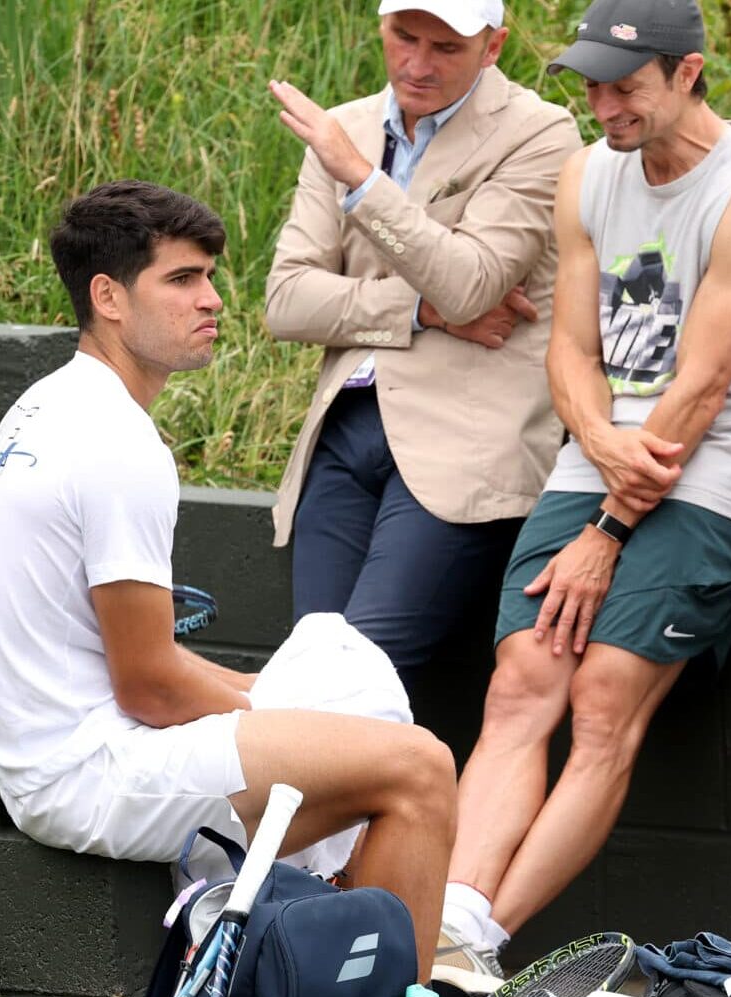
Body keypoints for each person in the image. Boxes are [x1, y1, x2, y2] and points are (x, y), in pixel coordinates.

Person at [0, 181, 455, 969]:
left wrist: (279, 704)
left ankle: (324, 970)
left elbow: (140, 665)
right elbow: (148, 686)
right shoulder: (116, 443)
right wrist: (280, 711)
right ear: (109, 297)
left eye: (211, 277)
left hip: (63, 744)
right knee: (419, 766)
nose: (213, 299)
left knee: (334, 649)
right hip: (88, 775)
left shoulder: (49, 402)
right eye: (182, 280)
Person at [434, 0, 731, 975]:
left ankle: (478, 942)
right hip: (604, 456)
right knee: (524, 675)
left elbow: (700, 389)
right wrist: (600, 440)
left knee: (605, 694)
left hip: (715, 472)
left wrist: (605, 529)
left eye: (624, 85)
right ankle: (446, 916)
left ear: (686, 73)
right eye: (592, 85)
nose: (603, 105)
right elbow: (568, 349)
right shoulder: (587, 176)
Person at [265, 0, 582, 676]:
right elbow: (287, 299)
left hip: (464, 445)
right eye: (404, 38)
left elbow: (469, 285)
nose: (416, 64)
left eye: (445, 47)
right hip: (344, 429)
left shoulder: (542, 132)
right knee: (305, 674)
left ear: (492, 47)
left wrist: (359, 177)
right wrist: (422, 312)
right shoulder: (347, 126)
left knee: (357, 681)